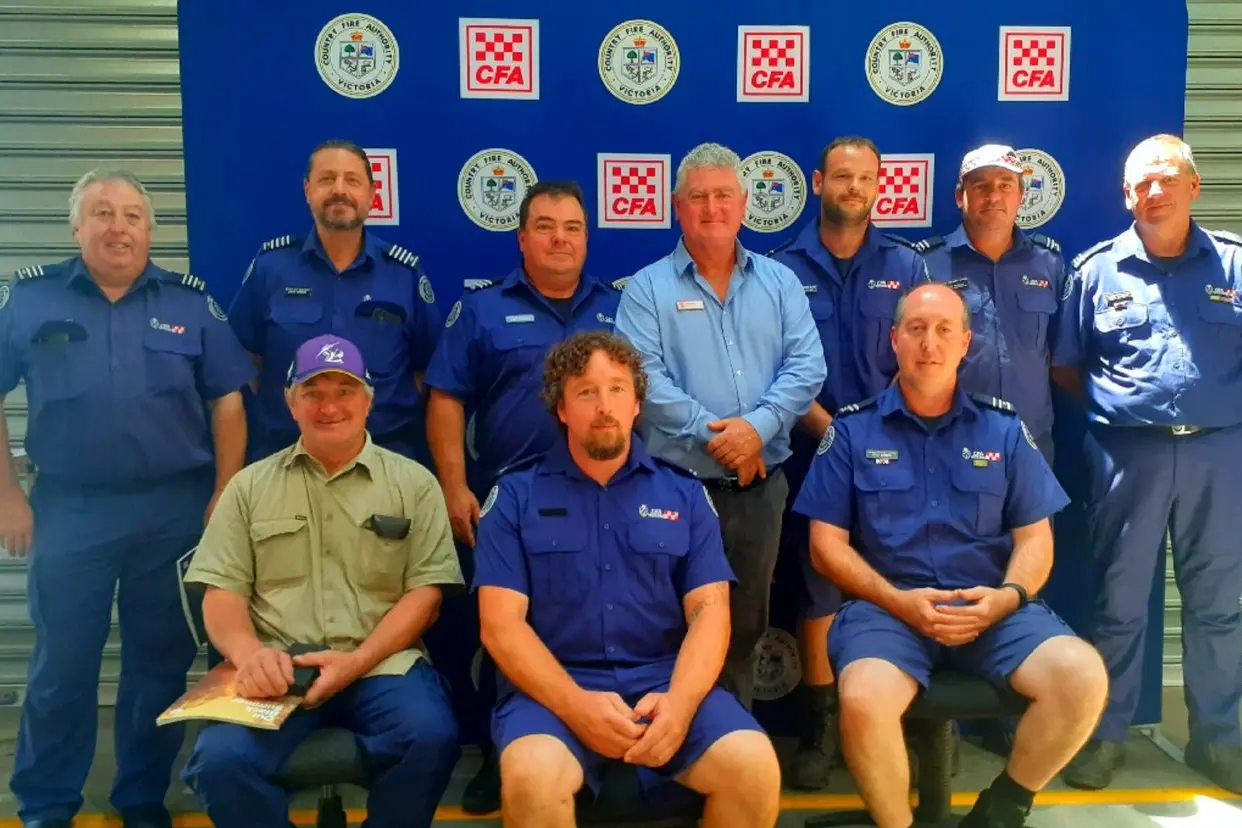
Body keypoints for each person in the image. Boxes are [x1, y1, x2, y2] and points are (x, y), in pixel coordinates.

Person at [794, 283, 1108, 828]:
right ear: (894, 339)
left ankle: (1003, 808)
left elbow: (1036, 540)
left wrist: (1007, 599)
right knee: (865, 699)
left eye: (944, 330)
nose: (929, 343)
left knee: (1083, 677)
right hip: (886, 612)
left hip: (990, 609)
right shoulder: (850, 431)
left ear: (966, 343)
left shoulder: (1005, 430)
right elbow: (825, 548)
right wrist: (899, 601)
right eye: (915, 328)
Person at [0, 168, 253, 828]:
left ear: (150, 230)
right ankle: (46, 802)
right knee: (62, 666)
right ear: (76, 227)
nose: (118, 227)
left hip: (171, 511)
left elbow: (227, 400)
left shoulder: (190, 303)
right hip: (68, 508)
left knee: (160, 664)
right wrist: (7, 497)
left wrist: (225, 493)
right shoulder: (29, 299)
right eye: (103, 213)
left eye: (132, 216)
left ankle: (140, 797)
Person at [473, 331, 782, 828]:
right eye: (586, 392)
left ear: (638, 403)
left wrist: (680, 707)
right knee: (531, 777)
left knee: (754, 767)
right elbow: (500, 626)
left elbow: (710, 612)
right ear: (561, 408)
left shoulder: (683, 494)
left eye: (617, 389)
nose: (604, 406)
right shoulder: (514, 497)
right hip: (552, 694)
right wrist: (576, 707)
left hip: (667, 684)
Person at [180, 334, 463, 828]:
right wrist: (251, 657)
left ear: (368, 401)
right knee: (219, 761)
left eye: (344, 391)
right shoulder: (248, 487)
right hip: (276, 670)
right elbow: (220, 592)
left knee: (430, 736)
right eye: (313, 392)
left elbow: (427, 595)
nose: (330, 406)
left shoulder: (415, 483)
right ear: (290, 402)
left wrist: (355, 662)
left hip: (380, 664)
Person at [423, 180, 621, 813]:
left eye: (572, 227)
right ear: (522, 237)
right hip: (507, 504)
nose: (559, 238)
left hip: (602, 498)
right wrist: (455, 485)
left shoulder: (621, 307)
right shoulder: (481, 309)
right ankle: (498, 754)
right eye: (545, 226)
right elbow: (447, 399)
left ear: (587, 237)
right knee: (498, 637)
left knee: (588, 623)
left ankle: (596, 747)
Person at [1055, 134, 1242, 793]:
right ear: (1125, 195)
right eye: (1141, 184)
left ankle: (1218, 742)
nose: (1154, 192)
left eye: (1166, 179)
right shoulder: (1096, 270)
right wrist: (1130, 411)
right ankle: (1103, 738)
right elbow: (1066, 367)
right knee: (1119, 603)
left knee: (1219, 604)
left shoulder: (1235, 266)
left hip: (1219, 454)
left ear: (1193, 186)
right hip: (1125, 454)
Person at [614, 142, 826, 708]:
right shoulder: (645, 289)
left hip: (758, 490)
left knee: (745, 625)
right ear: (676, 207)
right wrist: (729, 438)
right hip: (670, 489)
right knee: (664, 625)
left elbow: (808, 366)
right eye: (698, 197)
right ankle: (662, 751)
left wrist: (757, 430)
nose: (712, 208)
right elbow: (644, 382)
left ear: (743, 205)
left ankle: (731, 745)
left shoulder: (780, 283)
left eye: (723, 196)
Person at [768, 135, 929, 787]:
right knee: (818, 586)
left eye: (865, 178)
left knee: (899, 579)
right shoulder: (780, 270)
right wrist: (835, 434)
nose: (853, 188)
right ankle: (821, 726)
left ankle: (896, 724)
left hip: (896, 454)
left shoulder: (907, 267)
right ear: (817, 183)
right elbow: (777, 370)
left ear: (879, 186)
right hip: (810, 453)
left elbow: (924, 359)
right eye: (841, 177)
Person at [227, 139, 443, 462]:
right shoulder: (270, 268)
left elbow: (428, 370)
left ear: (372, 195)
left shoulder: (405, 274)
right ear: (307, 190)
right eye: (326, 179)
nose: (339, 190)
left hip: (385, 460)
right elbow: (245, 361)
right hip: (285, 458)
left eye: (352, 180)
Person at [917, 144, 1069, 463]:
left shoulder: (1048, 264)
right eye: (981, 186)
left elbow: (1061, 356)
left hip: (1032, 442)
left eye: (1005, 185)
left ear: (1021, 195)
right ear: (961, 197)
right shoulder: (927, 265)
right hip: (951, 439)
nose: (994, 196)